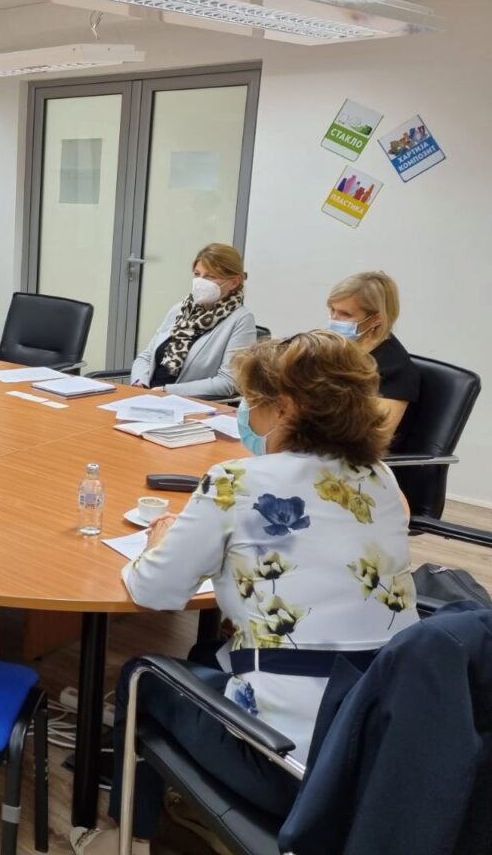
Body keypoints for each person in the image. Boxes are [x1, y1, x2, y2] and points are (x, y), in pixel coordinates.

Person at [70, 331, 418, 855]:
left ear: (286, 408)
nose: (246, 414)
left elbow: (154, 590)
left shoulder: (235, 480)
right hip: (382, 749)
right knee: (208, 654)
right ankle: (193, 806)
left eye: (252, 402)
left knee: (145, 677)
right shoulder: (381, 478)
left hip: (294, 772)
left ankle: (125, 840)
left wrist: (159, 543)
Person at [130, 243, 256, 398]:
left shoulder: (241, 319)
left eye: (210, 276)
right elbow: (146, 356)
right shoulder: (181, 309)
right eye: (197, 274)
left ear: (234, 282)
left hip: (187, 404)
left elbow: (228, 382)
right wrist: (140, 383)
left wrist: (167, 391)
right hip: (148, 396)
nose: (200, 281)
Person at [327, 270, 419, 442]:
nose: (334, 319)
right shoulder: (336, 347)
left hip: (351, 452)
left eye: (346, 314)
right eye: (332, 310)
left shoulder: (395, 370)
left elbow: (374, 438)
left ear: (376, 319)